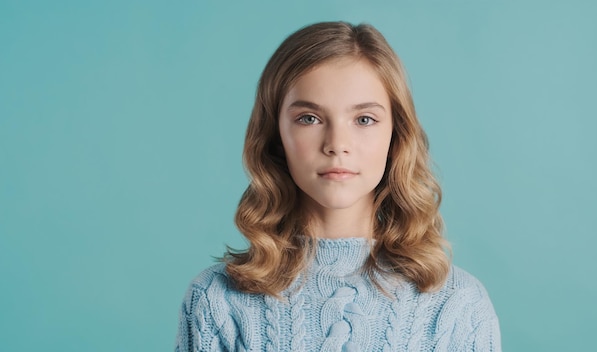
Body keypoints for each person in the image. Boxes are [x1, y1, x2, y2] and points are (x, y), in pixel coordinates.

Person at [176, 21, 501, 351]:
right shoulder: (216, 300)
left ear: (396, 135)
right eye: (309, 118)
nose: (337, 144)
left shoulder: (459, 307)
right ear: (276, 135)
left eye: (364, 119)